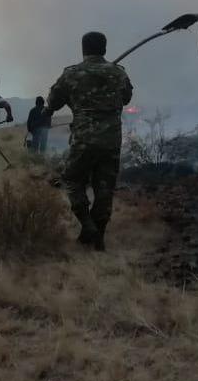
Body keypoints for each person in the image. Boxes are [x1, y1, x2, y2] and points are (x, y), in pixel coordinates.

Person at [45, 31, 133, 251]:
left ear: (83, 49)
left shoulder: (72, 74)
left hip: (84, 139)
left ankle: (87, 223)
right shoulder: (118, 73)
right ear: (104, 48)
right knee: (105, 188)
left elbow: (53, 102)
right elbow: (127, 98)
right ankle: (98, 236)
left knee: (71, 179)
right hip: (112, 140)